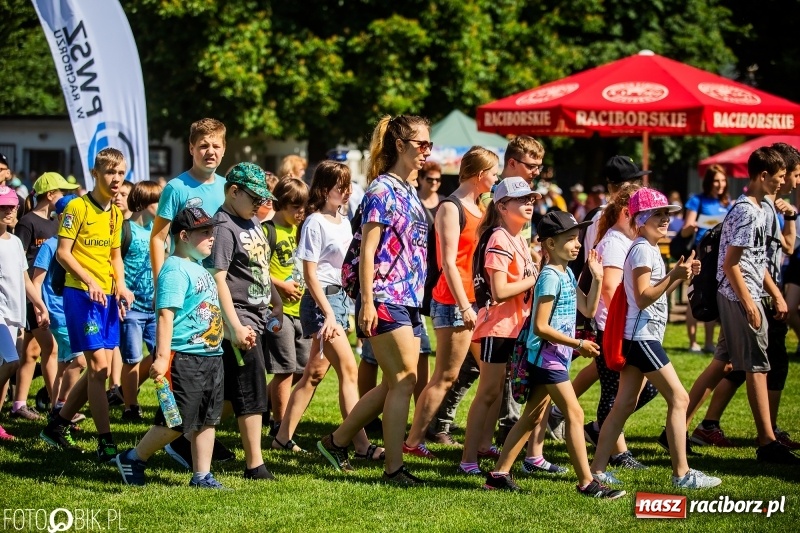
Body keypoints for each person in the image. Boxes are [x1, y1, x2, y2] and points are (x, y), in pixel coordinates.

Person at [317, 114, 431, 485]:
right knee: (402, 380)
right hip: (385, 295)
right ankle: (393, 468)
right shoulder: (382, 189)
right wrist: (366, 301)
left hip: (409, 298)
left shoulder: (409, 189)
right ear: (401, 145)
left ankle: (336, 441)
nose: (427, 151)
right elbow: (368, 251)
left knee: (398, 382)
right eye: (421, 144)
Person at [485, 211, 623, 498]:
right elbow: (541, 326)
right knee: (575, 413)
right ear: (549, 244)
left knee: (531, 417)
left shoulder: (567, 272)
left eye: (577, 238)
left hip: (555, 356)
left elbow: (587, 309)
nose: (577, 244)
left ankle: (498, 474)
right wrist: (578, 345)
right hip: (546, 358)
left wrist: (596, 278)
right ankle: (587, 482)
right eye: (570, 239)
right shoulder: (549, 277)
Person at [591, 188, 721, 489]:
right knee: (680, 398)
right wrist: (675, 276)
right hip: (641, 338)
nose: (665, 219)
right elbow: (644, 296)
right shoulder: (642, 250)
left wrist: (679, 273)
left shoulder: (645, 247)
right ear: (640, 218)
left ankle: (597, 470)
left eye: (667, 214)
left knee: (623, 404)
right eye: (658, 214)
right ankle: (682, 474)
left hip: (638, 336)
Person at [683, 147, 800, 464]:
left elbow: (756, 260)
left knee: (722, 364)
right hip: (739, 296)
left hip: (745, 294)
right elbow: (732, 264)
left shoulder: (762, 208)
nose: (782, 183)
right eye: (778, 177)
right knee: (758, 368)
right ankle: (767, 442)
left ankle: (674, 432)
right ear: (763, 176)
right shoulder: (748, 211)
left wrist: (774, 294)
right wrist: (750, 304)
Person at [114, 207, 230, 488]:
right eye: (204, 232)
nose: (211, 237)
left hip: (210, 355)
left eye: (211, 231)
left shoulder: (197, 265)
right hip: (184, 357)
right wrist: (163, 356)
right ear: (184, 236)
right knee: (175, 421)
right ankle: (133, 457)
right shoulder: (175, 269)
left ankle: (202, 475)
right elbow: (165, 314)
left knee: (207, 419)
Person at [274, 162, 383, 460]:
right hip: (321, 304)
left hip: (338, 301)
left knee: (313, 374)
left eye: (348, 185)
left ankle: (281, 438)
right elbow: (310, 275)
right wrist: (330, 314)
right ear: (323, 189)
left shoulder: (342, 220)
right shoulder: (314, 223)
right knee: (349, 370)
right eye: (340, 186)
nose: (346, 192)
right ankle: (360, 446)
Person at [149, 118, 234, 466]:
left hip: (219, 288)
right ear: (191, 148)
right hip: (185, 289)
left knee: (215, 374)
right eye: (203, 146)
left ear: (224, 148)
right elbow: (158, 237)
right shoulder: (176, 187)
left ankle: (192, 441)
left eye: (215, 146)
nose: (210, 151)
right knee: (184, 368)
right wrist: (163, 287)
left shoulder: (229, 187)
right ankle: (174, 437)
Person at [39, 147, 133, 462]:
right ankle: (106, 443)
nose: (117, 179)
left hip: (106, 298)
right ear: (95, 174)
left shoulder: (116, 213)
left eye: (120, 173)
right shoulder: (77, 207)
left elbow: (115, 256)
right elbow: (63, 253)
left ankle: (58, 424)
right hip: (81, 295)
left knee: (98, 371)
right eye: (110, 172)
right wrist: (90, 280)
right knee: (99, 368)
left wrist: (120, 285)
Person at [403, 147, 498, 460]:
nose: (496, 178)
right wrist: (465, 305)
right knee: (445, 376)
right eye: (493, 172)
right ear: (479, 174)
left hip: (476, 301)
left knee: (493, 374)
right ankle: (413, 441)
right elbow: (448, 262)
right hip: (454, 301)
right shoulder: (450, 207)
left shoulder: (480, 207)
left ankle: (482, 443)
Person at [205, 162, 281, 480]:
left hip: (258, 316)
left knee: (223, 394)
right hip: (238, 318)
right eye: (254, 197)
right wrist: (234, 325)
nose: (260, 204)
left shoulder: (252, 223)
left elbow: (260, 268)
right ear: (233, 191)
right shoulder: (223, 226)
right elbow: (217, 279)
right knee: (252, 390)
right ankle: (254, 464)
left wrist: (274, 299)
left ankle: (181, 438)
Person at [460, 177, 540, 474]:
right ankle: (468, 460)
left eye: (531, 199)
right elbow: (499, 291)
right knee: (488, 393)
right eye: (522, 199)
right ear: (503, 206)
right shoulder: (499, 238)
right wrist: (536, 278)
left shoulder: (517, 238)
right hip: (498, 327)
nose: (529, 203)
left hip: (516, 327)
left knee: (499, 394)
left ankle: (488, 449)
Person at [580, 183, 657, 470]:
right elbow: (610, 288)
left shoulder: (623, 239)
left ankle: (603, 431)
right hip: (612, 329)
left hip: (620, 328)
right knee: (615, 393)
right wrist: (623, 328)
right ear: (628, 213)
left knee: (640, 390)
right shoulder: (614, 242)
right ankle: (615, 450)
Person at [11, 172, 78, 420]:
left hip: (43, 295)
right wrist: (34, 299)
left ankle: (19, 403)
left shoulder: (54, 225)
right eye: (63, 192)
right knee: (51, 349)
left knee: (30, 352)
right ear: (50, 195)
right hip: (32, 294)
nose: (67, 196)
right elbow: (18, 259)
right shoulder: (27, 222)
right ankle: (56, 408)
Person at [0, 184, 51, 440]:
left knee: (6, 368)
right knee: (11, 363)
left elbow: (25, 280)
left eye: (12, 206)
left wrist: (39, 304)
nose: (9, 211)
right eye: (3, 206)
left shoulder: (16, 242)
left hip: (14, 315)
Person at [31, 194, 86, 428]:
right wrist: (40, 308)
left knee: (64, 362)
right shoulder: (52, 245)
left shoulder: (79, 244)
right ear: (63, 217)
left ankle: (57, 409)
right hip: (57, 311)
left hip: (74, 309)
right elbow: (36, 281)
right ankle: (63, 406)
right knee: (81, 360)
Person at [264, 177, 310, 438]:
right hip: (277, 311)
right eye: (295, 207)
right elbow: (256, 270)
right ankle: (278, 426)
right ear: (280, 204)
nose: (300, 213)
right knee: (284, 369)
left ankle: (273, 411)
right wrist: (282, 285)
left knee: (302, 369)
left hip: (301, 311)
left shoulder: (302, 230)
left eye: (303, 207)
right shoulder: (267, 230)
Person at [118, 181, 163, 422]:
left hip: (155, 307)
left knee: (162, 355)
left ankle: (165, 403)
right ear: (144, 203)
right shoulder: (126, 230)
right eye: (158, 201)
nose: (163, 205)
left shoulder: (159, 231)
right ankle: (130, 406)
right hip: (131, 309)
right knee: (132, 360)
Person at [681, 165, 730, 353]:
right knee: (695, 295)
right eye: (717, 180)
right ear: (709, 181)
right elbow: (685, 230)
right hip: (701, 256)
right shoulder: (697, 200)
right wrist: (691, 226)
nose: (720, 184)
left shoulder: (727, 203)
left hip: (719, 256)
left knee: (712, 297)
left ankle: (709, 342)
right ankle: (693, 342)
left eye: (723, 180)